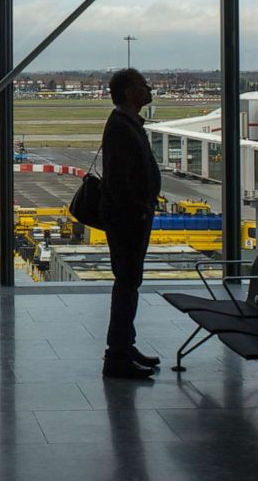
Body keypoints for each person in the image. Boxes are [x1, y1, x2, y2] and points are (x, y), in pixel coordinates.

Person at [99, 68, 162, 379]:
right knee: (127, 285)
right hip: (129, 219)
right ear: (128, 93)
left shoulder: (127, 123)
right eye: (141, 85)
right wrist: (138, 208)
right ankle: (117, 356)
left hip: (131, 216)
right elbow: (122, 180)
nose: (148, 88)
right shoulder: (122, 127)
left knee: (128, 285)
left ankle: (124, 346)